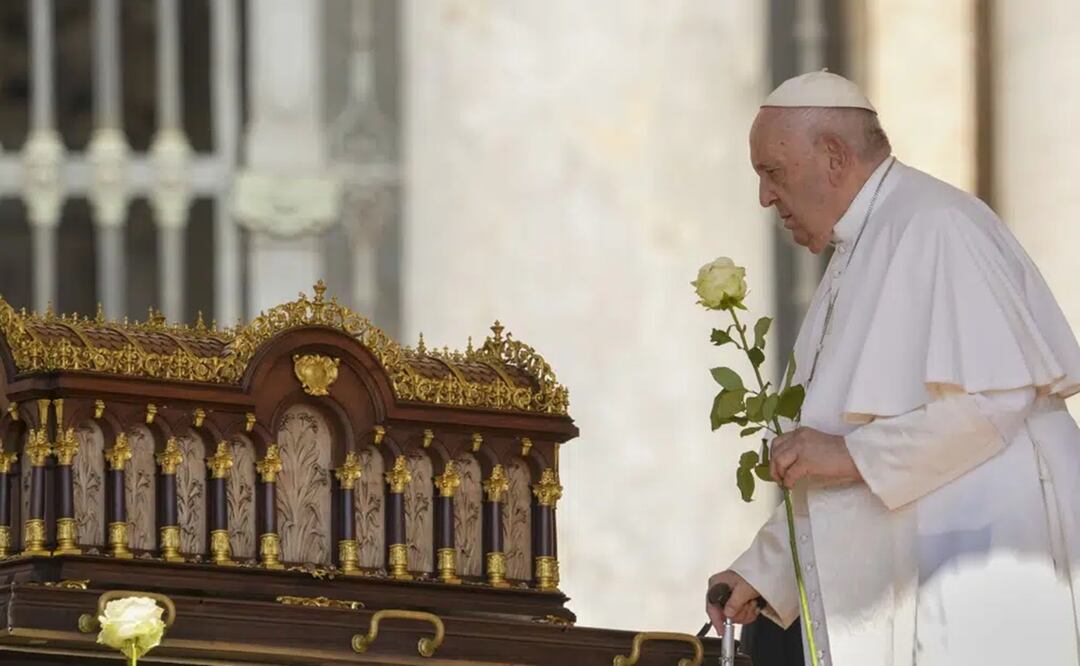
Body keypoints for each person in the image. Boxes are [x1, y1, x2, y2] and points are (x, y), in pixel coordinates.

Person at [705, 70, 1080, 666]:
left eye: (771, 173)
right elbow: (840, 451)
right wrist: (765, 570)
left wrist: (848, 456)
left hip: (978, 554)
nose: (765, 198)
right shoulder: (857, 251)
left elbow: (992, 403)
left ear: (833, 155)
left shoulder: (937, 224)